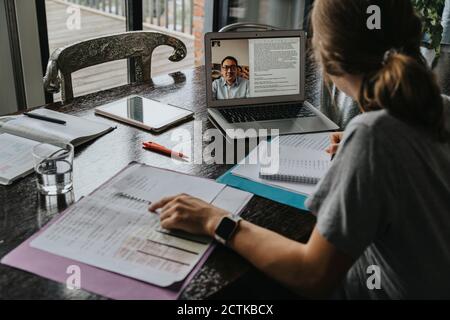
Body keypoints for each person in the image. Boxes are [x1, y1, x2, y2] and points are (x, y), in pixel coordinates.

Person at [150, 0, 450, 299]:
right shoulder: (439, 107)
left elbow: (311, 275)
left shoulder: (373, 137)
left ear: (328, 59)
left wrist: (214, 220)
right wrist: (361, 150)